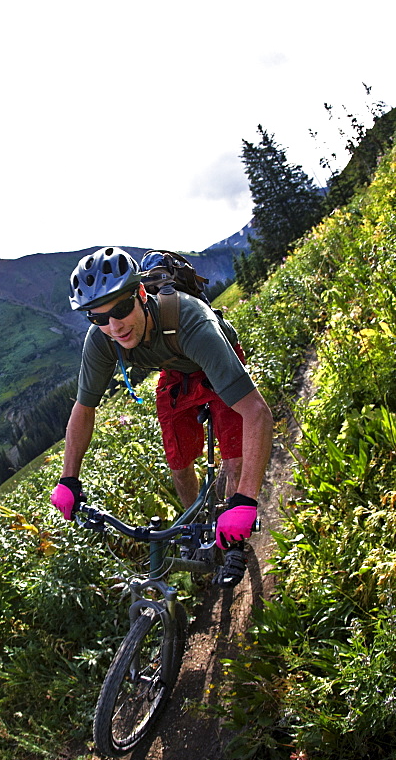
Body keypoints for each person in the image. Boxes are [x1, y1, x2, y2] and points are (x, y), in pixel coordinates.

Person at [50, 247, 273, 586]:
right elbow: (83, 409)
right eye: (98, 318)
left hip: (217, 363)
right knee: (179, 464)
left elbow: (257, 414)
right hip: (176, 371)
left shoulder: (191, 320)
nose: (114, 326)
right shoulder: (102, 339)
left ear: (141, 293)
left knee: (233, 459)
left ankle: (234, 541)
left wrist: (245, 502)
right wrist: (68, 478)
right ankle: (199, 528)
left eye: (122, 308)